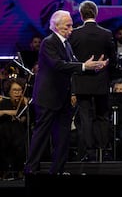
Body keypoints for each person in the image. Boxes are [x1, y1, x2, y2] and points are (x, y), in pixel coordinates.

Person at [24, 10, 108, 175]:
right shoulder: (49, 42)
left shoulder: (67, 44)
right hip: (47, 97)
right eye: (67, 26)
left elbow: (74, 65)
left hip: (62, 98)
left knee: (63, 136)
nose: (71, 29)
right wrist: (84, 66)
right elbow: (58, 65)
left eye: (71, 25)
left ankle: (58, 170)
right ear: (56, 27)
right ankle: (31, 169)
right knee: (42, 135)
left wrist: (93, 67)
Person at [69, 0, 117, 162]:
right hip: (101, 82)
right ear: (96, 14)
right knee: (102, 117)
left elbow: (69, 60)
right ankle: (104, 151)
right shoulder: (106, 34)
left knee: (85, 117)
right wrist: (106, 64)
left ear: (81, 15)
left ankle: (89, 153)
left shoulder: (74, 34)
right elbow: (114, 59)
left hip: (81, 82)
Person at [0, 78, 29, 179]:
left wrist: (25, 103)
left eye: (19, 90)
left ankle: (19, 170)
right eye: (14, 90)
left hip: (19, 135)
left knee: (17, 132)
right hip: (5, 135)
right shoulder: (3, 103)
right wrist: (5, 112)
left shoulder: (25, 103)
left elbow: (24, 118)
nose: (17, 93)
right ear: (9, 92)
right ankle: (4, 170)